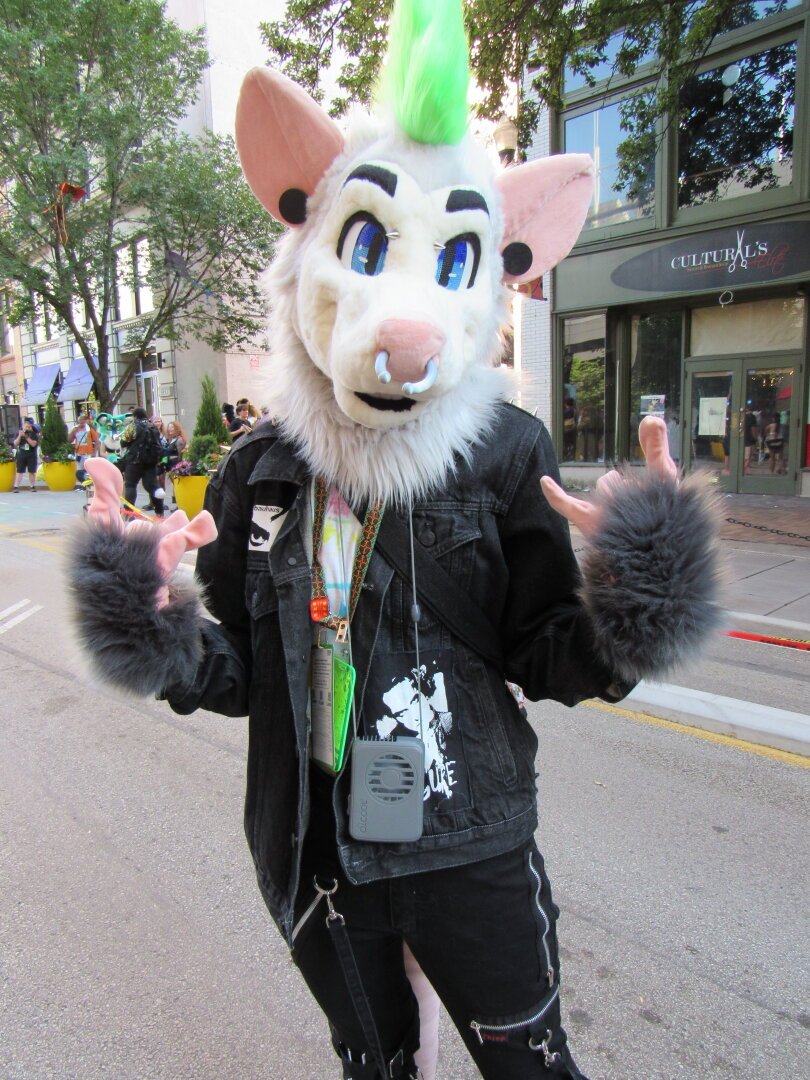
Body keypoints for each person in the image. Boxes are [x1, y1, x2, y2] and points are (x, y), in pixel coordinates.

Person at [68, 5, 721, 1076]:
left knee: (530, 1064)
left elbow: (553, 655)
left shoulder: (507, 451)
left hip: (467, 844)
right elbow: (239, 672)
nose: (404, 320)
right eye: (364, 243)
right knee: (376, 1066)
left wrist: (640, 576)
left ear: (497, 272)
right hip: (316, 843)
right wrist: (151, 608)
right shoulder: (258, 468)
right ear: (309, 240)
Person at [120, 407, 164, 517]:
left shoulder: (133, 426)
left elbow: (123, 442)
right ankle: (160, 513)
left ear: (135, 416)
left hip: (135, 461)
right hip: (151, 461)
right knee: (153, 486)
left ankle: (129, 514)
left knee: (130, 485)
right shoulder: (153, 426)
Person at [69, 414, 100, 488]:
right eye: (80, 420)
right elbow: (69, 440)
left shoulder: (90, 430)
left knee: (88, 470)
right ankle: (84, 484)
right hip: (79, 453)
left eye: (83, 419)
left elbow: (97, 441)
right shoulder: (75, 430)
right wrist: (72, 432)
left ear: (86, 420)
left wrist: (94, 452)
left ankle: (89, 484)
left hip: (88, 452)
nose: (81, 421)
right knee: (79, 470)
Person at [12, 417, 40, 492]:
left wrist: (26, 437)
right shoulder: (19, 432)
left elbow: (33, 444)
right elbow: (15, 443)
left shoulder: (34, 433)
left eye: (29, 425)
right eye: (26, 424)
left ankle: (32, 486)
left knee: (31, 471)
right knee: (19, 471)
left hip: (31, 454)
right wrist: (20, 436)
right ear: (23, 425)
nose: (27, 426)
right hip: (21, 453)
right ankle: (16, 486)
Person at [743, 404, 758, 474]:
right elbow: (753, 428)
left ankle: (744, 468)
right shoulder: (752, 417)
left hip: (742, 437)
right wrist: (755, 437)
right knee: (748, 455)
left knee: (744, 454)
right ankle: (746, 469)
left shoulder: (743, 416)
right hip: (749, 438)